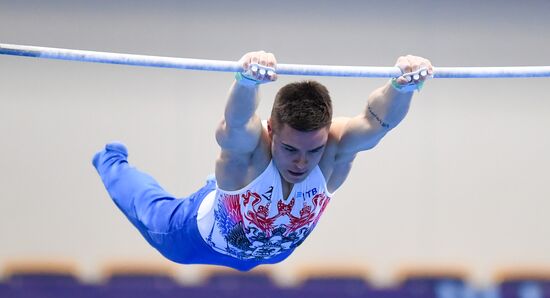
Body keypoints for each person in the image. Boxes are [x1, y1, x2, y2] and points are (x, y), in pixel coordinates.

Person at [93, 51, 433, 271]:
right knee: (149, 210)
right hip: (195, 238)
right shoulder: (252, 150)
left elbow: (376, 123)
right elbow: (237, 122)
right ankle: (110, 160)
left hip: (274, 250)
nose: (302, 162)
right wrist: (247, 81)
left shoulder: (335, 149)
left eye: (313, 151)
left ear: (325, 135)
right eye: (289, 149)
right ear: (272, 131)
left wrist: (402, 87)